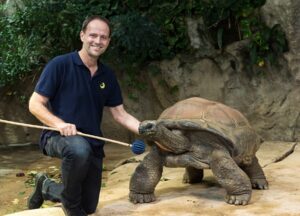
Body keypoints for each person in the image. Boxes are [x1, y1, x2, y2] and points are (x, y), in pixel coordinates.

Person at [27, 15, 143, 216]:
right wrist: (59, 123)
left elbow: (120, 114)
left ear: (108, 41)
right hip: (58, 137)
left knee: (89, 205)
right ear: (82, 36)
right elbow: (35, 104)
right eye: (93, 35)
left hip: (92, 143)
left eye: (103, 37)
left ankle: (45, 186)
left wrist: (148, 129)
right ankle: (71, 210)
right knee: (78, 150)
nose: (98, 41)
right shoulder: (60, 65)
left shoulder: (107, 75)